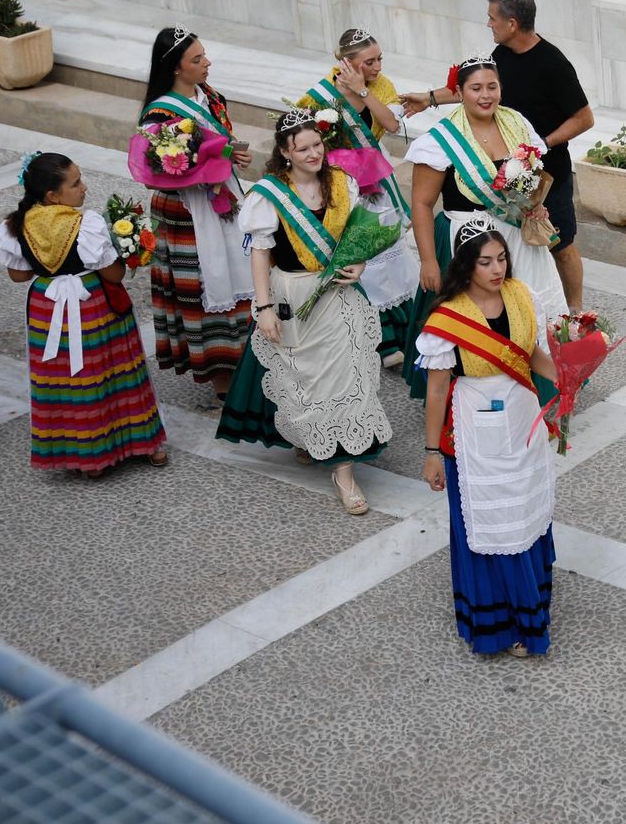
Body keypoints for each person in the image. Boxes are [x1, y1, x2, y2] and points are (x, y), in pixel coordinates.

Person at [217, 110, 393, 517]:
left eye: (317, 145)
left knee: (344, 379)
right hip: (293, 295)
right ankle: (311, 437)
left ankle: (344, 473)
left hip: (339, 296)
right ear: (285, 152)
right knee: (304, 379)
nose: (314, 154)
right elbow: (260, 254)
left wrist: (360, 263)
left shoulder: (342, 182)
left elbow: (357, 236)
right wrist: (264, 308)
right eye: (303, 149)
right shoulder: (269, 194)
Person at [416, 215, 558, 657]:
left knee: (524, 509)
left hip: (522, 418)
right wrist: (432, 452)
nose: (497, 269)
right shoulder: (448, 318)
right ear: (466, 266)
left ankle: (531, 601)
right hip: (474, 428)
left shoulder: (521, 295)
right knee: (490, 519)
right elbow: (436, 389)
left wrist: (568, 376)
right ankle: (504, 623)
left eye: (501, 259)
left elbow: (531, 354)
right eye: (485, 262)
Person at [401, 0, 593, 310]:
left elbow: (584, 118)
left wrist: (537, 149)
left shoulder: (552, 65)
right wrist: (430, 98)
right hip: (484, 222)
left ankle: (574, 311)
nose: (489, 23)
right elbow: (473, 85)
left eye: (492, 18)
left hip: (545, 174)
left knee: (561, 247)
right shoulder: (501, 56)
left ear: (512, 24)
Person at [400, 56, 567, 398]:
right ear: (459, 92)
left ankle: (543, 387)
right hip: (468, 242)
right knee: (482, 317)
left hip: (518, 238)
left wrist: (535, 204)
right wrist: (428, 261)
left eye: (492, 86)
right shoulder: (440, 140)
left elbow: (532, 177)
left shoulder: (516, 122)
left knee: (529, 308)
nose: (485, 95)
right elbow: (422, 203)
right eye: (476, 88)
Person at [0, 153, 168, 474]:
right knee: (116, 371)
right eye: (75, 183)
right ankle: (143, 442)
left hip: (46, 305)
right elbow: (113, 275)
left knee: (66, 380)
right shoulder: (86, 224)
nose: (84, 188)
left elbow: (18, 275)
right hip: (91, 303)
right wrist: (126, 250)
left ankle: (88, 458)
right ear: (52, 196)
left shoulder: (16, 226)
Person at [139, 26, 253, 408]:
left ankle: (248, 358)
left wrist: (232, 155)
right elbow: (154, 170)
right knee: (205, 283)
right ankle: (220, 375)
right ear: (176, 67)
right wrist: (195, 169)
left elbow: (221, 145)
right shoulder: (159, 114)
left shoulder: (213, 98)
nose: (207, 63)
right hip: (186, 212)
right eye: (197, 59)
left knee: (241, 270)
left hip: (225, 197)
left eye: (204, 55)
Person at [296, 27, 420, 368]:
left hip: (376, 176)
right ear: (346, 62)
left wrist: (363, 89)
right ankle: (376, 337)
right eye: (369, 61)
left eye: (380, 58)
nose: (378, 66)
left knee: (389, 250)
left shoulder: (381, 86)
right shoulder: (320, 94)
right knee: (358, 254)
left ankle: (405, 329)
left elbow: (391, 124)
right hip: (342, 185)